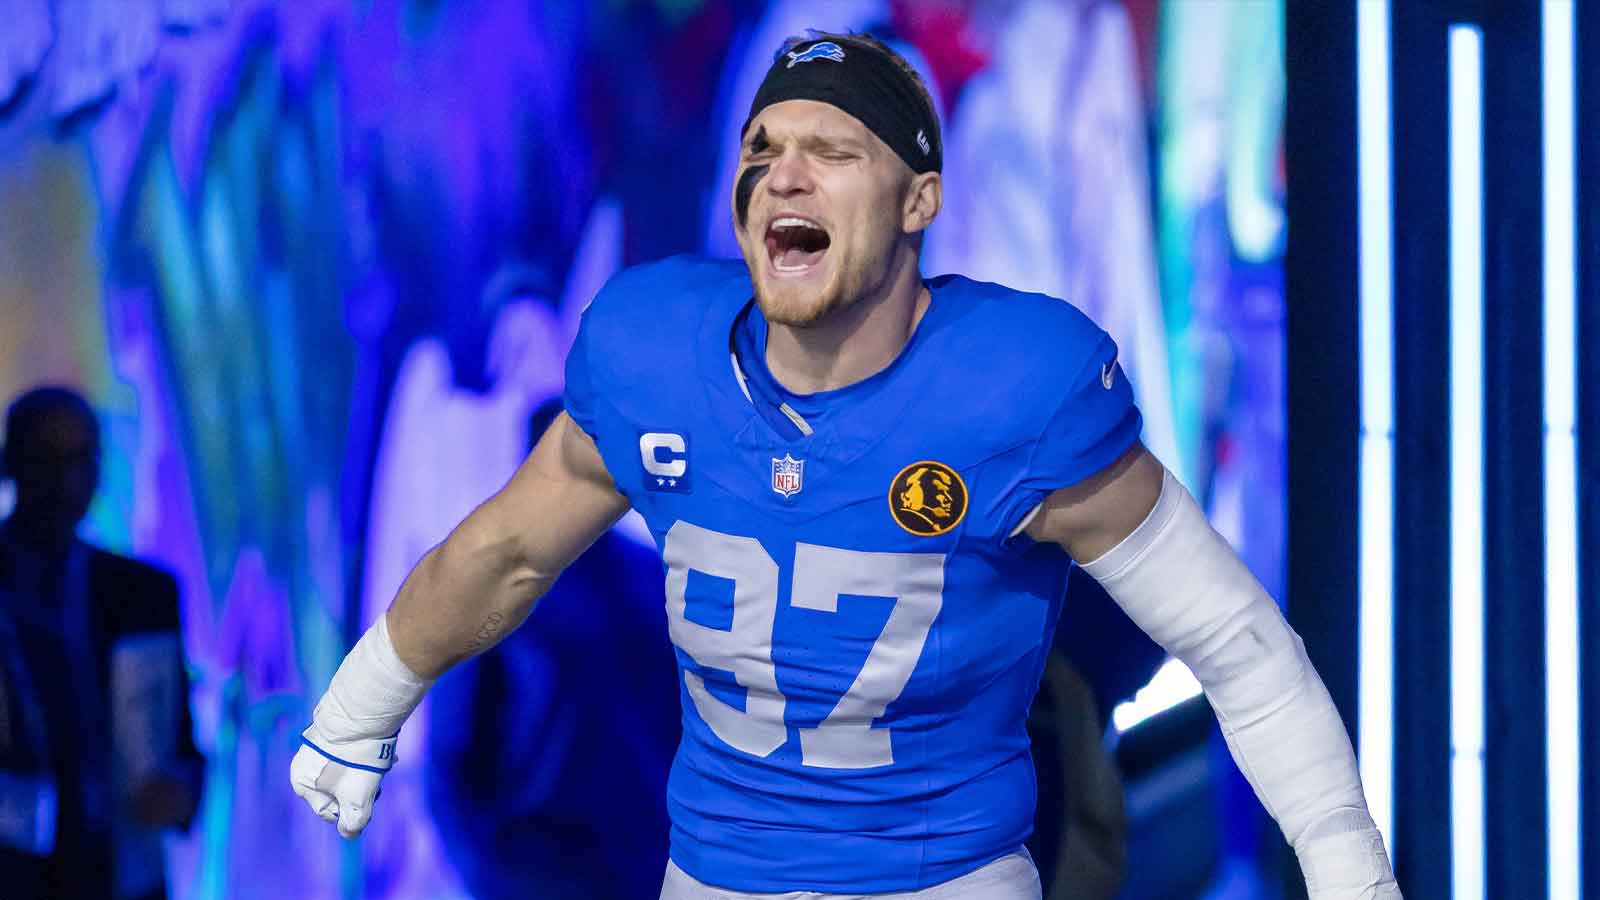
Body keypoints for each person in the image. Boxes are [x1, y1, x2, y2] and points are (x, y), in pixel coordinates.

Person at [291, 32, 1400, 900]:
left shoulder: (1015, 384)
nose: (785, 177)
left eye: (831, 152)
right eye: (764, 151)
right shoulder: (652, 351)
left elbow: (1234, 640)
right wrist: (357, 710)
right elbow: (502, 554)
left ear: (919, 201)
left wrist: (1349, 869)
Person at [0, 386, 204, 900]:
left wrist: (179, 792)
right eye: (49, 458)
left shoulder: (142, 593)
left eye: (82, 457)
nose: (68, 478)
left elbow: (180, 743)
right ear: (13, 465)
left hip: (121, 867)